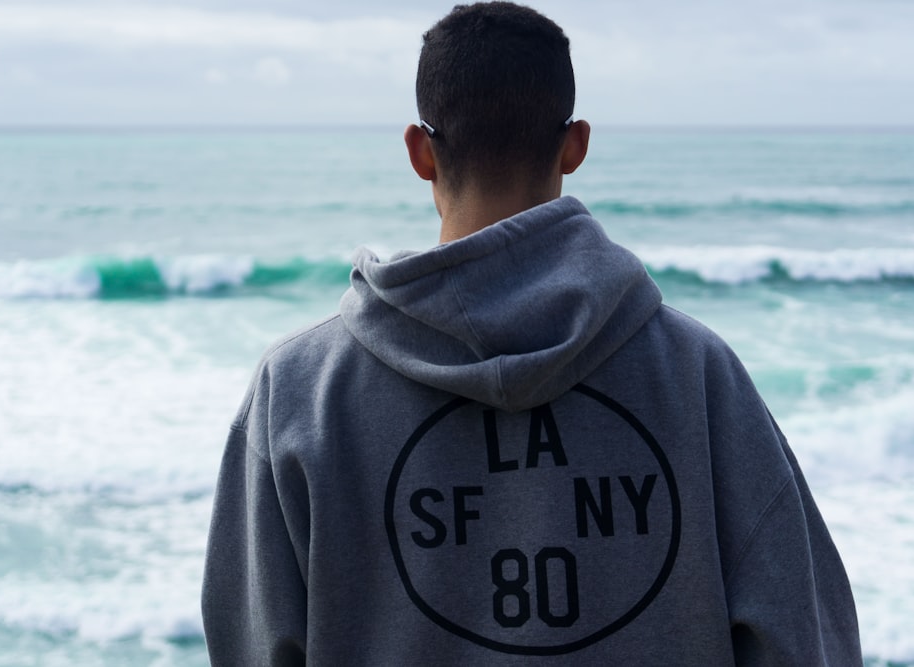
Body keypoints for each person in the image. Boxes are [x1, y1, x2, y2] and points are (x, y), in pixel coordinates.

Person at [201, 2, 863, 664]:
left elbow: (252, 645)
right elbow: (802, 636)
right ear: (575, 145)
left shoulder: (295, 392)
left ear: (419, 151)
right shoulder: (700, 375)